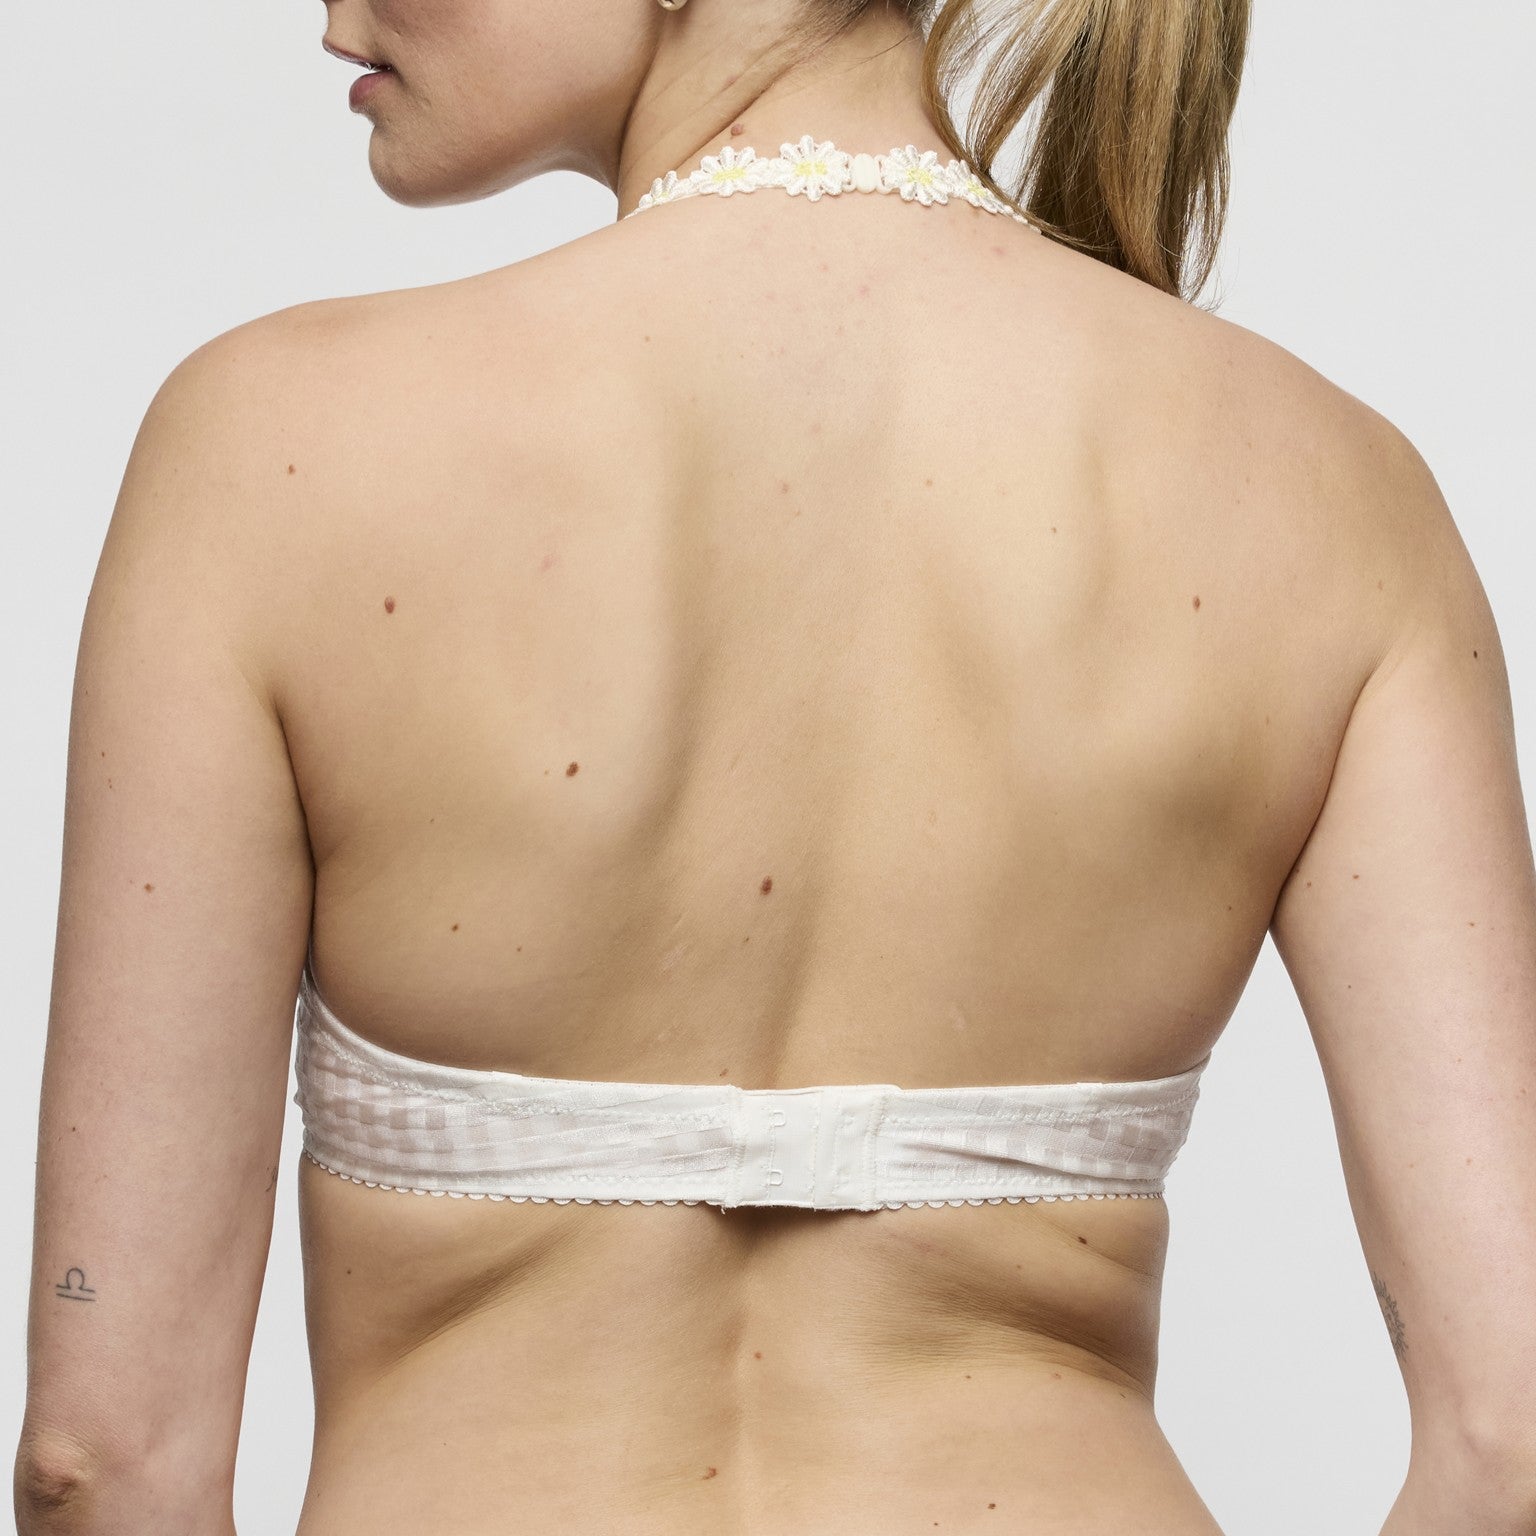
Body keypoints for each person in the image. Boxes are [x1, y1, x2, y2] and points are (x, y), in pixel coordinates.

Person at [15, 1, 1536, 1533]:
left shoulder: (271, 451)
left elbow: (104, 1460)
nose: (340, 10)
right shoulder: (1334, 495)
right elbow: (1515, 1440)